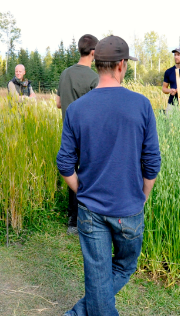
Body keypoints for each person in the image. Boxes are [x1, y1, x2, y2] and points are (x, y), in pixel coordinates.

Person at [57, 36, 161, 316]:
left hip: (90, 210)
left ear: (98, 63)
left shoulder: (77, 109)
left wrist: (82, 192)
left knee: (97, 275)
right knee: (125, 265)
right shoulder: (141, 105)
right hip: (128, 208)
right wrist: (143, 196)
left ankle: (77, 313)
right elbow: (152, 163)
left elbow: (64, 162)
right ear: (121, 65)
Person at [56, 34, 99, 235]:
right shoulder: (94, 78)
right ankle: (82, 219)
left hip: (67, 131)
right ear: (93, 53)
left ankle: (72, 219)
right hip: (87, 135)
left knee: (70, 172)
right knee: (87, 175)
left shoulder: (65, 73)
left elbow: (58, 103)